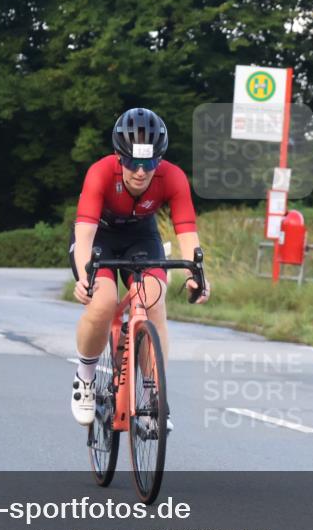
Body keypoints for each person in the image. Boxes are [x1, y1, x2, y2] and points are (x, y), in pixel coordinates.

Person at [69, 107, 210, 426]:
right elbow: (85, 233)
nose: (141, 171)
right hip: (100, 235)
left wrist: (196, 275)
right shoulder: (101, 172)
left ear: (159, 160)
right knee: (102, 302)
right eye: (132, 162)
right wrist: (83, 275)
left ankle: (150, 396)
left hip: (141, 237)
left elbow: (186, 231)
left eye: (149, 163)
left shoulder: (172, 177)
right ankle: (86, 377)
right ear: (119, 157)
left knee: (153, 300)